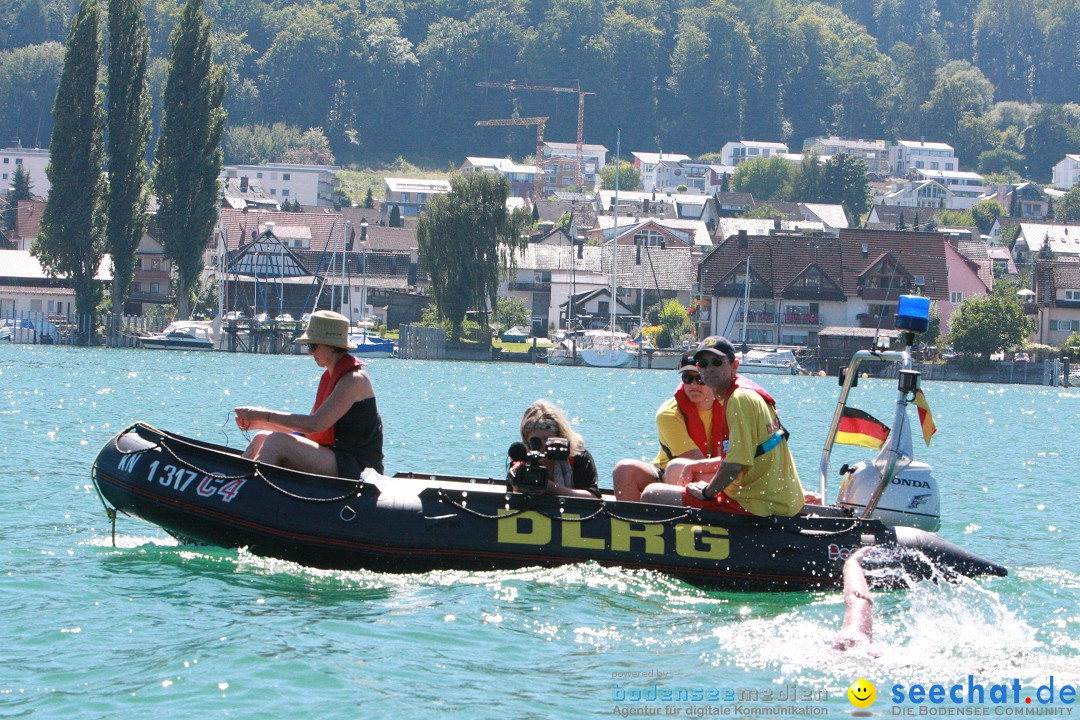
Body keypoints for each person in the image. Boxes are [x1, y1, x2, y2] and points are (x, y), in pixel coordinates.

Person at [639, 335, 804, 517]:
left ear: (734, 366)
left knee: (652, 494)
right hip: (779, 499)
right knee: (678, 471)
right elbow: (746, 455)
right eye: (703, 363)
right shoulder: (747, 394)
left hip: (757, 504)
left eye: (717, 362)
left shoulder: (738, 399)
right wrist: (696, 467)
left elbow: (735, 464)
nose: (709, 369)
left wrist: (707, 492)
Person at [234, 310, 384, 478]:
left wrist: (261, 414)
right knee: (261, 437)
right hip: (334, 456)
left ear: (332, 346)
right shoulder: (330, 376)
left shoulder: (354, 380)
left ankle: (248, 489)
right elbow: (311, 433)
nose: (310, 352)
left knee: (276, 442)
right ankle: (237, 484)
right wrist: (259, 422)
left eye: (313, 346)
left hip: (358, 465)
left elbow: (314, 425)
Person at [612, 353, 722, 501]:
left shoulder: (731, 408)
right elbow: (695, 461)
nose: (694, 385)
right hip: (670, 472)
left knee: (679, 469)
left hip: (718, 472)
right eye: (687, 379)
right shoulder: (668, 414)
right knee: (625, 469)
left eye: (700, 378)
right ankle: (631, 521)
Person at [507, 399, 601, 498]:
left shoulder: (578, 457)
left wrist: (551, 488)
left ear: (560, 437)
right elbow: (511, 504)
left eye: (548, 440)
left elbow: (594, 498)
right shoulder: (520, 465)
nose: (543, 446)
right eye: (536, 441)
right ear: (526, 440)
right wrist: (516, 486)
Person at [833, 546, 879, 654]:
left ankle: (852, 563)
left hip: (846, 637)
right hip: (858, 638)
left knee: (857, 600)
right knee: (859, 600)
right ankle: (852, 563)